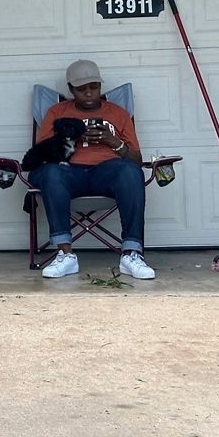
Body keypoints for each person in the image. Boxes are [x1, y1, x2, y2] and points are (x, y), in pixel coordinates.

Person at [31, 59, 155, 280]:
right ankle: (65, 254)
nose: (88, 93)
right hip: (68, 172)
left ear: (100, 86)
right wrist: (72, 138)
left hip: (106, 171)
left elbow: (136, 159)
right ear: (70, 89)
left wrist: (113, 141)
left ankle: (132, 254)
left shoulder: (118, 114)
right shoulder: (57, 112)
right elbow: (42, 154)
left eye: (94, 87)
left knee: (131, 172)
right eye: (81, 89)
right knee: (51, 172)